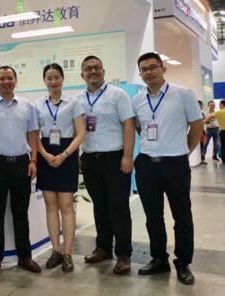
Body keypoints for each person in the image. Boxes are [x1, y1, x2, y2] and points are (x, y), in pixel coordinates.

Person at [132, 52, 203, 285]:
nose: (149, 72)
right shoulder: (137, 100)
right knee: (153, 217)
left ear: (163, 68)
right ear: (140, 73)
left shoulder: (183, 94)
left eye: (153, 67)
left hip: (175, 165)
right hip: (146, 165)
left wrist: (183, 151)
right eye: (144, 69)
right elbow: (141, 129)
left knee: (182, 215)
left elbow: (196, 126)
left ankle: (183, 262)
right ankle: (159, 259)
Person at [0, 65, 41, 276]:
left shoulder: (27, 106)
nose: (6, 81)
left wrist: (33, 160)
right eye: (2, 78)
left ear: (16, 80)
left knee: (20, 212)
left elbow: (32, 135)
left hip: (22, 163)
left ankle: (25, 256)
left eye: (10, 78)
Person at [77, 56, 135, 274]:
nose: (93, 71)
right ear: (82, 74)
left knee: (118, 207)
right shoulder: (78, 99)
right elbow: (76, 130)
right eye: (88, 69)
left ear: (103, 71)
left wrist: (127, 155)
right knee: (99, 206)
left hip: (115, 158)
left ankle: (123, 254)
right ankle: (103, 248)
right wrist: (78, 156)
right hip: (90, 159)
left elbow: (128, 124)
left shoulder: (118, 95)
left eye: (96, 68)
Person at [36, 63, 86, 273]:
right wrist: (44, 154)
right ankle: (55, 250)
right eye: (49, 78)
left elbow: (81, 133)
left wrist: (65, 155)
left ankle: (67, 253)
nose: (53, 81)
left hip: (67, 153)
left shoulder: (73, 102)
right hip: (46, 154)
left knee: (66, 206)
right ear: (44, 81)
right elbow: (34, 134)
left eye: (56, 77)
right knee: (50, 206)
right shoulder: (38, 104)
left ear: (63, 79)